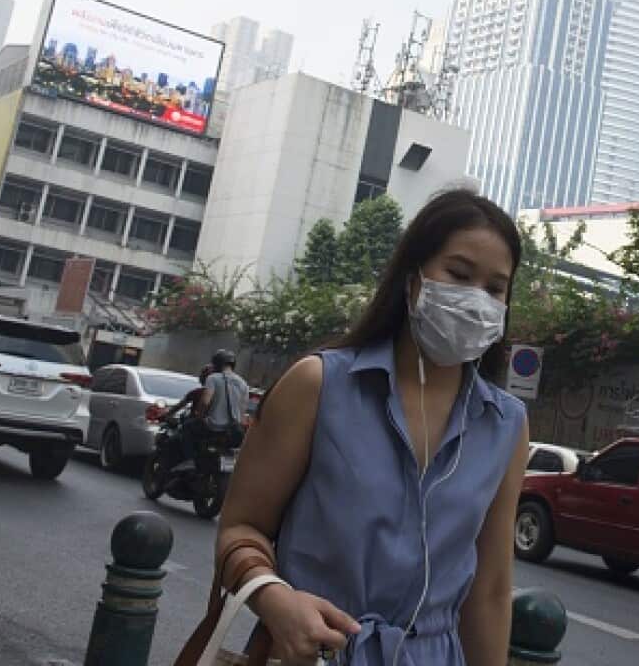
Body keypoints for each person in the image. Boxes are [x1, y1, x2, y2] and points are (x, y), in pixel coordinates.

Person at [208, 189, 529, 666]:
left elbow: (490, 591)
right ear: (412, 278)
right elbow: (240, 528)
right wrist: (276, 600)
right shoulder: (319, 385)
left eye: (494, 288)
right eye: (459, 275)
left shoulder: (505, 425)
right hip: (310, 654)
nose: (474, 299)